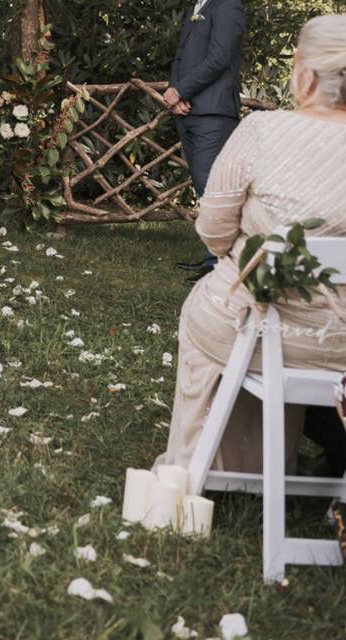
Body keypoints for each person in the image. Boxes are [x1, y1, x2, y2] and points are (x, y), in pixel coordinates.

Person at [155, 15, 346, 475]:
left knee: (208, 306)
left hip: (257, 325)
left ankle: (211, 462)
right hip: (341, 341)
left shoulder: (264, 131)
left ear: (304, 73)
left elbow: (214, 231)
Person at [164, 0, 245, 284]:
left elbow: (219, 58)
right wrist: (174, 93)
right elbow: (180, 57)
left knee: (213, 187)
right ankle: (214, 258)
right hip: (187, 109)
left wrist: (182, 90)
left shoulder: (228, 6)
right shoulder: (199, 5)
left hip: (214, 111)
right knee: (203, 187)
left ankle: (223, 265)